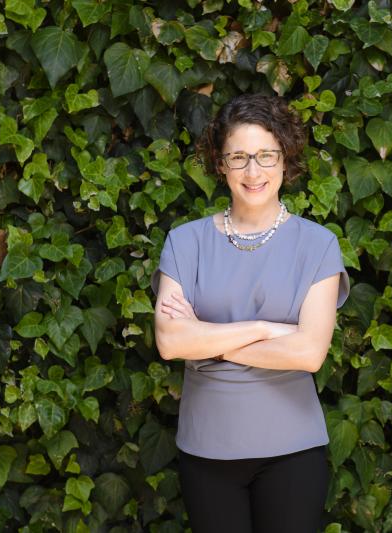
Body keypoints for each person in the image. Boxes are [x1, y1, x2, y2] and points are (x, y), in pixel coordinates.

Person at [150, 93, 350, 533]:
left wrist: (207, 338)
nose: (253, 171)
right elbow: (170, 342)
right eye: (239, 157)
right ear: (220, 164)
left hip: (293, 451)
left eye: (265, 155)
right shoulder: (185, 242)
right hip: (206, 449)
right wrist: (264, 329)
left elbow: (309, 353)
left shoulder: (318, 245)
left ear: (285, 159)